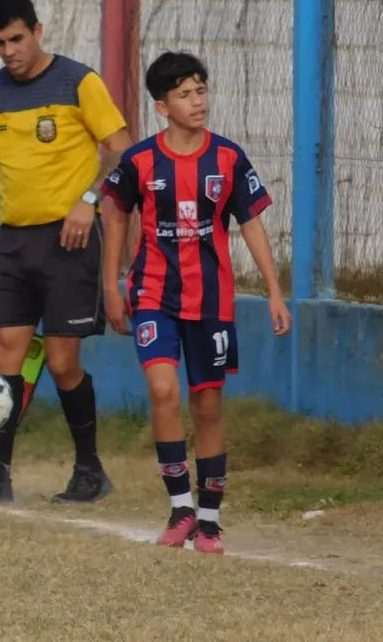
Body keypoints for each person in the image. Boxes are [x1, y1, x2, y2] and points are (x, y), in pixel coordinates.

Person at [100, 51, 291, 555]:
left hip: (211, 302)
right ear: (162, 107)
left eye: (201, 91)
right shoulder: (140, 160)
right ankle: (180, 508)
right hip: (152, 295)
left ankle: (209, 520)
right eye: (184, 94)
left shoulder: (228, 157)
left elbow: (251, 223)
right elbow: (115, 214)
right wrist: (111, 285)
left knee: (207, 406)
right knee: (163, 391)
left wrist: (274, 292)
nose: (197, 101)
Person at [0, 0, 131, 506]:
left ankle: (90, 470)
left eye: (16, 39)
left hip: (70, 241)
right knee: (5, 353)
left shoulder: (78, 81)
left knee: (60, 361)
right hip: (13, 242)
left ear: (37, 31)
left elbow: (123, 150)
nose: (9, 51)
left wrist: (89, 201)